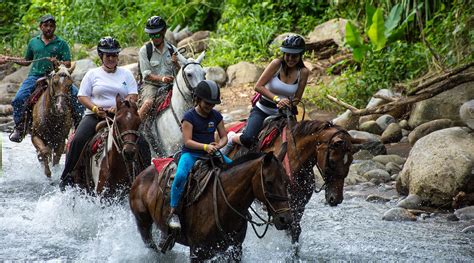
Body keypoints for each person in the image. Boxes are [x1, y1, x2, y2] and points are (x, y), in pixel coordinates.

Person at [59, 36, 150, 189]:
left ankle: (147, 177)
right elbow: (82, 96)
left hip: (121, 116)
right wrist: (95, 108)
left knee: (142, 143)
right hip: (95, 115)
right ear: (101, 56)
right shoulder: (92, 74)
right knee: (78, 140)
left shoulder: (126, 74)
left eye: (114, 55)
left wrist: (120, 106)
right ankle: (67, 176)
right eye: (108, 55)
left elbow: (133, 95)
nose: (111, 58)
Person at [0, 14, 84, 142]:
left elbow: (67, 63)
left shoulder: (61, 44)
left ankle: (79, 128)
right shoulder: (34, 42)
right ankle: (20, 127)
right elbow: (27, 61)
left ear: (55, 27)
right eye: (46, 25)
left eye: (51, 26)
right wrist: (9, 59)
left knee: (78, 97)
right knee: (18, 99)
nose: (49, 28)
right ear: (40, 27)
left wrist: (58, 62)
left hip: (56, 76)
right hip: (35, 76)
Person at [221, 35, 310, 153]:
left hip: (285, 114)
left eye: (294, 56)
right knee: (248, 139)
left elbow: (297, 98)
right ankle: (232, 137)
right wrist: (277, 99)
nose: (290, 58)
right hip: (262, 110)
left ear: (300, 55)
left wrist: (290, 103)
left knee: (297, 144)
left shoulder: (303, 72)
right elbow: (258, 86)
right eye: (287, 54)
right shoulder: (276, 64)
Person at [168, 80, 232, 230]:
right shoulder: (188, 117)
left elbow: (224, 137)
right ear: (198, 99)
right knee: (181, 176)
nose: (210, 107)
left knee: (233, 168)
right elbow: (187, 141)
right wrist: (205, 146)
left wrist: (219, 146)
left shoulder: (216, 116)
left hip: (211, 153)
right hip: (191, 153)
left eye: (212, 104)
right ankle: (174, 211)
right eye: (207, 103)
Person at [137, 15, 180, 120]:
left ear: (164, 32)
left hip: (171, 85)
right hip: (151, 86)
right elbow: (146, 75)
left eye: (156, 35)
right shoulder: (145, 51)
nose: (154, 38)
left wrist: (176, 64)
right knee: (148, 103)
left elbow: (180, 72)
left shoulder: (172, 49)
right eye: (151, 35)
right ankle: (136, 127)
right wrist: (162, 79)